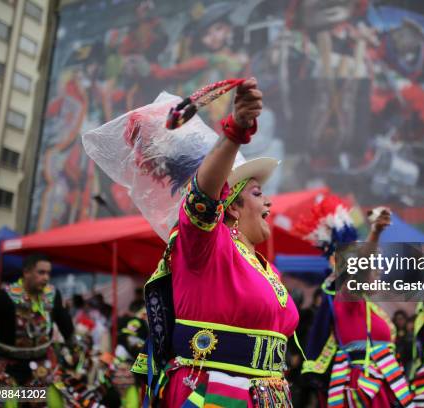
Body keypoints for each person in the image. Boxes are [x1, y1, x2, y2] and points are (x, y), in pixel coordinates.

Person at [126, 78, 299, 406]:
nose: (269, 204)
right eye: (258, 194)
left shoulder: (264, 266)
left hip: (266, 395)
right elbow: (204, 196)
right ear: (231, 205)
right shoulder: (204, 242)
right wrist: (235, 132)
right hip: (213, 394)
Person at [301, 202, 415, 408]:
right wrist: (375, 233)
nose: (378, 273)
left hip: (380, 386)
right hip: (362, 388)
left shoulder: (369, 306)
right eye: (374, 268)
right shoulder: (347, 299)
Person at [0, 253, 74, 388]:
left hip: (42, 366)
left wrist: (75, 350)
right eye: (41, 272)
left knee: (53, 400)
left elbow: (65, 324)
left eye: (48, 273)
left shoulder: (53, 295)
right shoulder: (2, 297)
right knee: (1, 400)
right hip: (6, 367)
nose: (46, 278)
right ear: (26, 272)